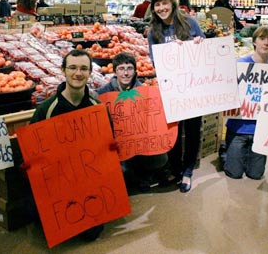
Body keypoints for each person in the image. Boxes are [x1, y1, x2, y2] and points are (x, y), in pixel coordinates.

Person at [23, 49, 107, 241]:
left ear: (89, 73)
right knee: (42, 221)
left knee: (91, 235)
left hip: (86, 177)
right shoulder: (46, 109)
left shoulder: (97, 108)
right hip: (57, 179)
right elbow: (31, 151)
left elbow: (106, 147)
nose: (78, 73)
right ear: (63, 71)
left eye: (84, 69)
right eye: (73, 68)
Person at [147, 0, 205, 193]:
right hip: (170, 89)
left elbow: (205, 51)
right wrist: (172, 54)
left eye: (165, 3)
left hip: (192, 87)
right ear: (153, 8)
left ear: (172, 3)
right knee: (172, 131)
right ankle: (175, 169)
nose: (162, 8)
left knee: (191, 130)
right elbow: (155, 61)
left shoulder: (190, 23)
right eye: (157, 5)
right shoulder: (154, 31)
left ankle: (188, 170)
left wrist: (195, 44)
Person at [223, 26, 268, 180]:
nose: (266, 43)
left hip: (261, 131)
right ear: (254, 41)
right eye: (262, 38)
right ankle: (225, 152)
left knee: (255, 175)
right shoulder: (239, 64)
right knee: (234, 173)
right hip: (238, 128)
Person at [96, 52, 170, 192]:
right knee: (122, 169)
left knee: (160, 158)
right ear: (115, 71)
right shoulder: (103, 93)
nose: (125, 73)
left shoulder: (145, 91)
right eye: (121, 69)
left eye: (129, 68)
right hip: (116, 142)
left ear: (135, 71)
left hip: (139, 139)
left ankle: (144, 177)